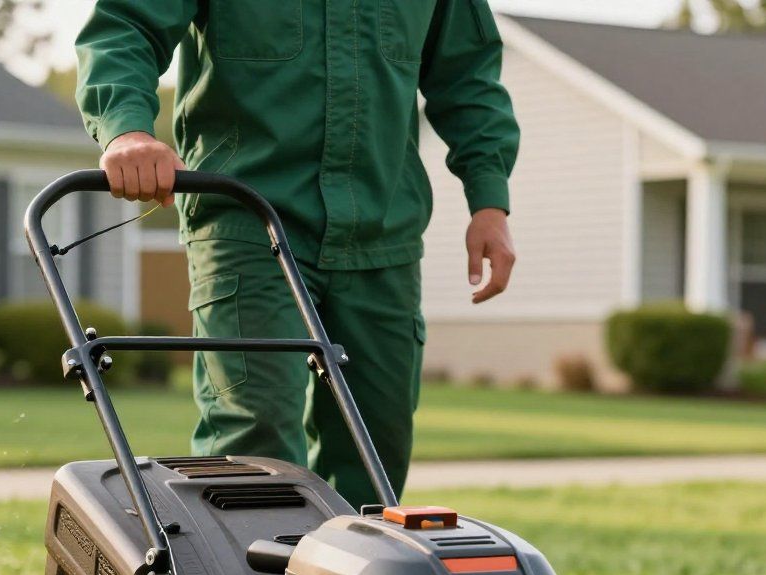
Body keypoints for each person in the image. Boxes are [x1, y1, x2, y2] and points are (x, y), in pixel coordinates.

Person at [77, 1, 519, 509]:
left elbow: (468, 74)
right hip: (248, 219)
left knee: (375, 452)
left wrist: (489, 198)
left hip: (384, 231)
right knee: (254, 445)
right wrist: (126, 127)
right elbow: (126, 25)